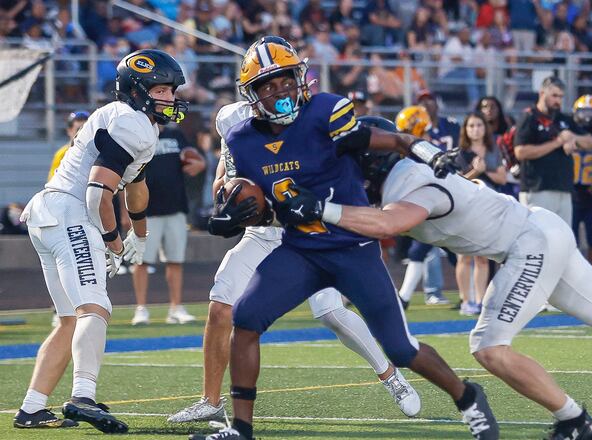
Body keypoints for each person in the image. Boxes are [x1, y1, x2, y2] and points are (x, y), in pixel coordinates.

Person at [279, 122, 592, 439]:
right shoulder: (408, 173)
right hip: (538, 229)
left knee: (488, 347)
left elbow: (389, 223)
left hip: (528, 243)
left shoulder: (410, 184)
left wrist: (322, 208)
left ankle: (574, 419)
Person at [189, 36, 497, 440]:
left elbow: (394, 139)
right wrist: (236, 215)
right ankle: (241, 429)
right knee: (245, 318)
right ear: (252, 94)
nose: (280, 91)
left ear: (300, 78)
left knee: (400, 348)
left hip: (352, 246)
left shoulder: (325, 112)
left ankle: (468, 397)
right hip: (301, 250)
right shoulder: (242, 140)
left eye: (285, 80)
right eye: (268, 85)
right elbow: (266, 204)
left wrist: (428, 152)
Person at [168, 100, 420, 424]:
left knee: (330, 312)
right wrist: (227, 203)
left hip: (307, 230)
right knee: (220, 305)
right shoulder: (231, 119)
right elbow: (225, 178)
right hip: (262, 233)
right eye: (265, 85)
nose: (275, 92)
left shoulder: (311, 117)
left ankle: (389, 375)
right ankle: (211, 401)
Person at [15, 49, 188, 433]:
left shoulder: (136, 123)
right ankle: (83, 397)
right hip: (71, 211)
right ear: (138, 90)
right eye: (161, 90)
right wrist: (113, 241)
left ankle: (31, 408)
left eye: (172, 90)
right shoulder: (132, 122)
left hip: (50, 213)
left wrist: (139, 233)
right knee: (95, 307)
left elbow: (136, 185)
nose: (170, 98)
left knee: (69, 321)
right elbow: (97, 192)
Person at [129, 125, 205, 325]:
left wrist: (198, 164)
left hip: (175, 206)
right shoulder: (138, 134)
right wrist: (127, 211)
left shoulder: (176, 134)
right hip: (146, 210)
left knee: (175, 260)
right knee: (141, 261)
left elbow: (194, 158)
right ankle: (141, 308)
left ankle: (176, 307)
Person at [514, 76, 592, 225]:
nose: (558, 100)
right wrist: (557, 142)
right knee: (538, 235)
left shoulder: (563, 119)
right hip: (537, 189)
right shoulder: (529, 117)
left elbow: (590, 142)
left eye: (561, 97)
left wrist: (572, 137)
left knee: (563, 236)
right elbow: (520, 152)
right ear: (542, 93)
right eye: (554, 96)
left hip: (564, 189)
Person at [393, 104, 451, 308]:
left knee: (453, 253)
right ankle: (404, 297)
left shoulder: (425, 151)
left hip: (439, 206)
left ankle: (404, 297)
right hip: (428, 207)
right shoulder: (411, 152)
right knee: (421, 250)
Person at [454, 112, 507, 315]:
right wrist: (474, 172)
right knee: (464, 256)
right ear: (465, 130)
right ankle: (465, 300)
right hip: (465, 208)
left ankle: (480, 300)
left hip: (487, 207)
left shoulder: (493, 151)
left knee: (483, 257)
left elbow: (502, 178)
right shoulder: (460, 153)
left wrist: (484, 171)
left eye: (479, 125)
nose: (475, 130)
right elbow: (455, 182)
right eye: (471, 126)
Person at [570, 95, 592, 268]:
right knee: (571, 238)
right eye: (583, 112)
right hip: (572, 191)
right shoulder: (569, 134)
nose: (586, 117)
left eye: (590, 112)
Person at [48, 111, 89, 181]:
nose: (82, 133)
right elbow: (53, 181)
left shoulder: (97, 152)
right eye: (78, 130)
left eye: (86, 130)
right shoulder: (61, 154)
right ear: (69, 131)